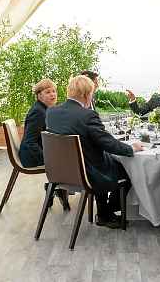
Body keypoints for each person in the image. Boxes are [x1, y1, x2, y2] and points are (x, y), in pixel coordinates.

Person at [46, 75, 143, 229]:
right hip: (86, 172)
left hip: (61, 170)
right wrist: (132, 148)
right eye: (92, 93)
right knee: (129, 170)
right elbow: (107, 143)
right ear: (86, 95)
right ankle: (106, 213)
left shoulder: (52, 112)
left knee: (104, 159)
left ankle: (104, 211)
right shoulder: (87, 115)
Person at [19, 79, 57, 168]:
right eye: (48, 92)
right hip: (32, 159)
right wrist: (47, 159)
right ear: (39, 95)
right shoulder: (38, 112)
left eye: (54, 91)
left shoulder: (43, 108)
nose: (52, 94)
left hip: (35, 154)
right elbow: (30, 142)